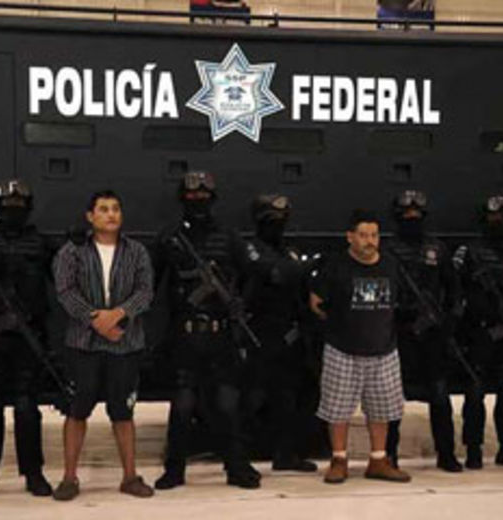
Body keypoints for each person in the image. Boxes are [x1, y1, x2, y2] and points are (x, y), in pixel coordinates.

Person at [154, 171, 260, 491]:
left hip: (221, 334)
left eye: (203, 195)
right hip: (185, 335)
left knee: (228, 404)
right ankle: (174, 469)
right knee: (182, 405)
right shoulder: (170, 237)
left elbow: (252, 273)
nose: (198, 200)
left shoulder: (228, 236)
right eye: (192, 195)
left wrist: (239, 303)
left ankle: (237, 467)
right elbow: (153, 282)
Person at [52, 190, 154, 500]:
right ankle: (69, 478)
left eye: (115, 209)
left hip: (125, 343)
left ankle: (130, 477)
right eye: (103, 209)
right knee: (77, 410)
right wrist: (95, 319)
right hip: (83, 344)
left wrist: (118, 315)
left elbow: (145, 292)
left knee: (123, 411)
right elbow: (65, 291)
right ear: (90, 216)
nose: (111, 215)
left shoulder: (136, 252)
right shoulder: (72, 251)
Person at [310, 209, 411, 484]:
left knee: (382, 410)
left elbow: (400, 301)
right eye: (364, 235)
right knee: (337, 410)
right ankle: (339, 460)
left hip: (383, 350)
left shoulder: (391, 265)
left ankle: (378, 460)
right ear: (350, 237)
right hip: (342, 350)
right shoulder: (336, 265)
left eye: (374, 235)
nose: (370, 241)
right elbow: (316, 302)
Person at [236, 194, 317, 472]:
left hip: (289, 333)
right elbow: (270, 273)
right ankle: (238, 457)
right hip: (258, 332)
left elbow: (298, 280)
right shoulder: (250, 248)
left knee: (288, 397)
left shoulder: (288, 251)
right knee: (252, 397)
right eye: (271, 220)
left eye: (281, 220)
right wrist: (298, 269)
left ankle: (286, 454)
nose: (277, 225)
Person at [385, 190, 464, 472]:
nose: (412, 219)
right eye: (407, 215)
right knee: (392, 400)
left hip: (432, 334)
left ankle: (446, 453)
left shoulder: (437, 249)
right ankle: (388, 455)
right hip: (399, 332)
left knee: (440, 395)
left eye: (417, 215)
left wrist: (448, 323)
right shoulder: (388, 250)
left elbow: (454, 291)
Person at [453, 195, 503, 470]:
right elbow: (455, 288)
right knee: (475, 393)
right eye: (494, 216)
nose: (499, 222)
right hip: (478, 332)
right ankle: (473, 449)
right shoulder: (468, 252)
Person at [0, 179, 52, 496]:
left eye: (20, 207)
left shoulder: (39, 243)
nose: (14, 212)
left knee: (27, 407)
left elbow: (60, 279)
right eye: (8, 207)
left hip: (28, 336)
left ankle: (33, 473)